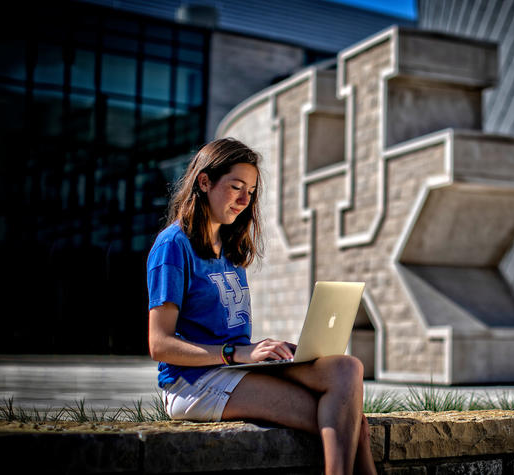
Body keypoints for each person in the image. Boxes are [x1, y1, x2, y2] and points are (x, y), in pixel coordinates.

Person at [146, 138, 376, 475]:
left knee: (347, 369)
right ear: (204, 182)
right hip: (191, 382)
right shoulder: (172, 246)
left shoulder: (227, 245)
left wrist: (269, 351)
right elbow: (159, 344)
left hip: (233, 369)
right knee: (350, 425)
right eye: (236, 187)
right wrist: (234, 354)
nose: (244, 199)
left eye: (251, 192)